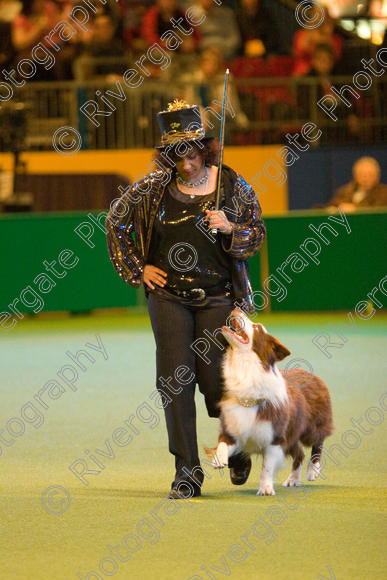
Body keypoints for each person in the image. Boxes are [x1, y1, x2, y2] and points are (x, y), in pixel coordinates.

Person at [105, 100, 266, 498]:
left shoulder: (231, 184)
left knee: (215, 385)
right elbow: (115, 221)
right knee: (174, 383)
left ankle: (236, 445)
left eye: (192, 154)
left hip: (218, 298)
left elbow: (256, 233)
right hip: (169, 298)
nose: (186, 164)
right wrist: (137, 268)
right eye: (177, 155)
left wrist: (230, 227)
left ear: (205, 150)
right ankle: (187, 472)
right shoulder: (151, 190)